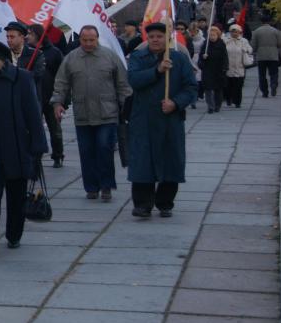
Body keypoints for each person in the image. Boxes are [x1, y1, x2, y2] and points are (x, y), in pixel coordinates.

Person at [0, 39, 47, 252]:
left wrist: (38, 147)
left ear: (4, 62)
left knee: (16, 196)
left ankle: (13, 234)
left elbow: (32, 114)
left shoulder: (21, 78)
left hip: (16, 149)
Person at [51, 26, 131, 201]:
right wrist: (57, 103)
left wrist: (127, 107)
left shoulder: (109, 56)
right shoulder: (71, 58)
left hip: (107, 113)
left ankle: (106, 186)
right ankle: (91, 187)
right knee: (86, 152)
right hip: (83, 114)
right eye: (85, 40)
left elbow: (123, 84)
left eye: (92, 40)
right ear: (80, 40)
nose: (88, 43)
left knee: (104, 149)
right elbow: (61, 83)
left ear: (97, 38)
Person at [126, 22, 197, 218]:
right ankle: (142, 204)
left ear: (168, 38)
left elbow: (191, 88)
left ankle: (165, 202)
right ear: (146, 39)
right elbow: (134, 80)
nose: (156, 40)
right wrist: (157, 70)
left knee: (170, 160)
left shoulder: (179, 59)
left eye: (160, 36)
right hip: (144, 118)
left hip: (170, 119)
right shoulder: (138, 57)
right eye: (152, 37)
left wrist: (175, 103)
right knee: (142, 161)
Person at [27, 24, 65, 168]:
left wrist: (61, 99)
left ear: (37, 35)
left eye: (30, 33)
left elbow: (61, 75)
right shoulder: (28, 52)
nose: (27, 36)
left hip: (50, 97)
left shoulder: (54, 52)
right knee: (35, 129)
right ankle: (36, 156)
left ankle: (58, 155)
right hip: (34, 96)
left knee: (55, 129)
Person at [4, 21, 46, 98]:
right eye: (7, 37)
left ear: (22, 37)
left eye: (12, 37)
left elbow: (37, 75)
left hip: (29, 98)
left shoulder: (36, 54)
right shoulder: (3, 55)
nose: (9, 40)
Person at [252, 13, 281, 98]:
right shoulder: (275, 31)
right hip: (273, 55)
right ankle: (273, 84)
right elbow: (280, 44)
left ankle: (265, 91)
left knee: (262, 75)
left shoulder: (256, 31)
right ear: (269, 21)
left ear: (261, 21)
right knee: (274, 73)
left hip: (261, 56)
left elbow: (254, 45)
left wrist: (255, 51)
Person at [198, 26, 228, 113]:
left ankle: (217, 105)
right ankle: (210, 106)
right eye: (210, 35)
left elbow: (225, 57)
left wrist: (225, 67)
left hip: (218, 69)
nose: (212, 37)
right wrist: (203, 57)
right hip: (208, 69)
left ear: (217, 35)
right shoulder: (205, 44)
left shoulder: (221, 44)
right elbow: (201, 56)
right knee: (208, 88)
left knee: (218, 89)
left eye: (213, 35)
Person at [223, 24, 253, 108]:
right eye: (233, 32)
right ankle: (229, 99)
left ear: (240, 32)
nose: (235, 33)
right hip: (229, 67)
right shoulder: (226, 40)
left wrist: (245, 49)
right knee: (229, 85)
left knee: (238, 86)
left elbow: (250, 50)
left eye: (236, 32)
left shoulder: (243, 41)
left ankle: (237, 102)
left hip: (240, 66)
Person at [187, 22, 205, 107]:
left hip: (198, 58)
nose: (192, 33)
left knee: (199, 77)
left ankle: (199, 93)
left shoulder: (202, 39)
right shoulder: (188, 38)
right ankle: (193, 97)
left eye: (194, 31)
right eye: (191, 31)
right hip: (190, 57)